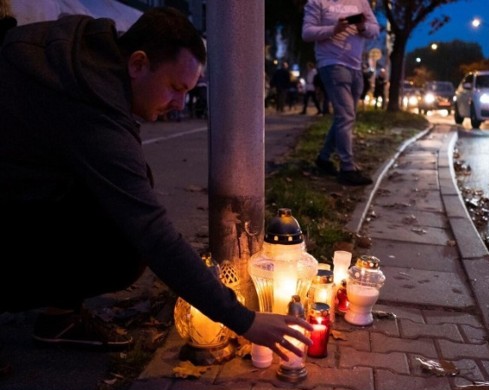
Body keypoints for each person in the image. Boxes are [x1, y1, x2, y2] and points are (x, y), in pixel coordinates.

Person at [0, 7, 312, 367]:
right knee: (127, 245)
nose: (180, 103)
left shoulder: (82, 55)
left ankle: (58, 317)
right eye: (175, 88)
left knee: (126, 196)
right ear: (137, 64)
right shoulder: (92, 113)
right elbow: (154, 234)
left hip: (20, 186)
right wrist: (245, 320)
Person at [302, 0, 380, 186]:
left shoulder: (361, 2)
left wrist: (362, 26)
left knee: (344, 117)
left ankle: (324, 158)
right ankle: (347, 168)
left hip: (355, 66)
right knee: (346, 116)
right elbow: (307, 33)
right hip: (332, 63)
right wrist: (334, 29)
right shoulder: (317, 2)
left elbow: (375, 29)